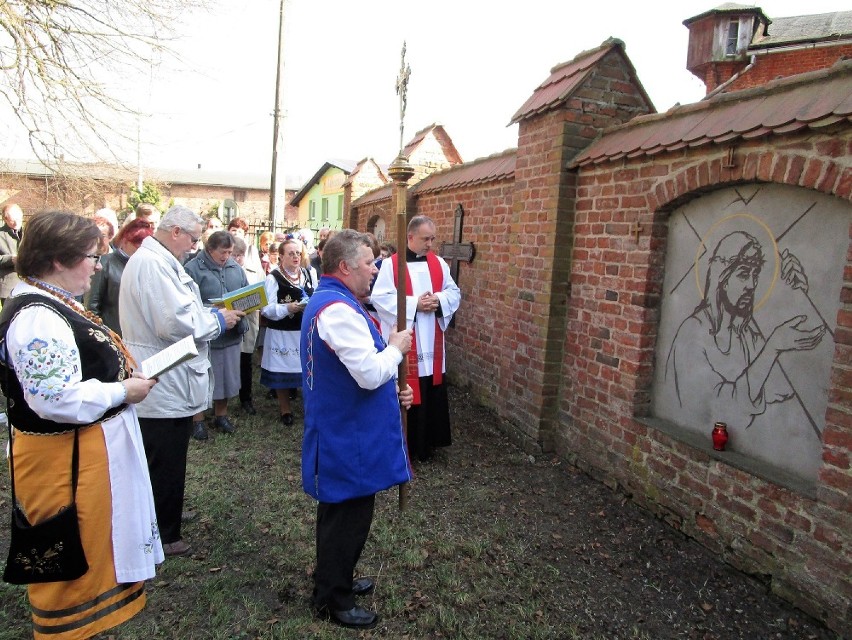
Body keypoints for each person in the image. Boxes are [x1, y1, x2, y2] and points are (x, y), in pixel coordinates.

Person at [0, 211, 161, 638]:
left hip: (83, 454)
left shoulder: (52, 302)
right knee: (71, 553)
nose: (98, 262)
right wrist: (123, 392)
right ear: (57, 259)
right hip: (64, 462)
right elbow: (56, 398)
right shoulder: (38, 317)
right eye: (91, 255)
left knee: (92, 548)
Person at [301, 229, 413, 629]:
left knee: (345, 514)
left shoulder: (339, 301)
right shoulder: (337, 310)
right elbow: (367, 373)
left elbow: (366, 368)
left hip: (346, 429)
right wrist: (397, 348)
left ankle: (336, 577)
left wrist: (394, 390)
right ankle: (333, 597)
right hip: (346, 434)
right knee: (346, 516)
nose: (375, 269)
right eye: (369, 263)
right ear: (345, 266)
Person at [119, 206, 243, 556]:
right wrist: (217, 321)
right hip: (163, 373)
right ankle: (166, 533)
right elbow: (174, 323)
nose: (192, 247)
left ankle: (166, 512)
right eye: (191, 239)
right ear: (175, 231)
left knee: (170, 454)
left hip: (166, 371)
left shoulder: (157, 260)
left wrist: (210, 315)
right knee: (165, 456)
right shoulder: (152, 264)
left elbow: (181, 310)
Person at [664, 231, 825, 431]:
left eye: (755, 275)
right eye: (743, 274)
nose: (751, 285)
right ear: (721, 278)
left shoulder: (746, 336)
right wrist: (772, 348)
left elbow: (787, 391)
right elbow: (715, 408)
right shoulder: (691, 332)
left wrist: (798, 295)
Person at [371, 215, 462, 462]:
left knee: (430, 387)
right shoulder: (392, 265)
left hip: (432, 340)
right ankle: (406, 446)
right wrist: (414, 304)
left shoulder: (439, 264)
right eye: (425, 239)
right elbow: (379, 297)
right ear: (410, 237)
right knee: (407, 388)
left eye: (433, 238)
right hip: (408, 338)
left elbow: (454, 292)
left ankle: (428, 445)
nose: (430, 244)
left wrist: (439, 301)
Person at [184, 230, 248, 438]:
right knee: (201, 378)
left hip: (230, 335)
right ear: (210, 249)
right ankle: (198, 420)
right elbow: (186, 304)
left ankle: (222, 414)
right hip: (206, 336)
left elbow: (245, 290)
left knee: (226, 377)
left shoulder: (235, 268)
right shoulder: (192, 269)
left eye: (230, 252)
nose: (227, 256)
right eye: (223, 252)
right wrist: (215, 312)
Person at [260, 237, 316, 425]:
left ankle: (309, 408)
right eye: (290, 253)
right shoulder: (273, 277)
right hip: (281, 333)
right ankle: (285, 410)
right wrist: (287, 309)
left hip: (303, 331)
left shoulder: (309, 274)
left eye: (298, 253)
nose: (295, 257)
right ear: (281, 257)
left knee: (307, 372)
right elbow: (266, 309)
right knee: (282, 371)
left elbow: (315, 296)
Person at [85, 218, 154, 335]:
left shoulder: (149, 268)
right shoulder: (105, 264)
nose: (141, 252)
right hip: (113, 337)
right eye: (137, 246)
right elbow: (91, 307)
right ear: (125, 241)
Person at [231, 237, 264, 415]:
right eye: (233, 255)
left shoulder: (254, 270)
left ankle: (246, 398)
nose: (237, 259)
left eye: (240, 255)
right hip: (228, 321)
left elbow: (262, 293)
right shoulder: (224, 270)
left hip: (248, 321)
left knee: (245, 362)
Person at [0, 202, 24, 304]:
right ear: (5, 220)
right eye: (12, 220)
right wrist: (11, 259)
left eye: (18, 219)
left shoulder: (31, 232)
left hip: (30, 283)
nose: (16, 223)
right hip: (8, 286)